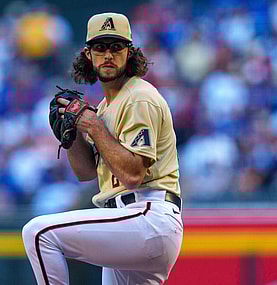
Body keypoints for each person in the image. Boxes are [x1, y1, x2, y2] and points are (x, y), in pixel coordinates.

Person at [22, 12, 183, 285]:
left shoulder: (138, 97)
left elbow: (132, 176)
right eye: (100, 47)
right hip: (129, 221)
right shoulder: (107, 106)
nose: (108, 54)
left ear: (129, 53)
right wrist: (71, 138)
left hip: (147, 216)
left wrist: (94, 127)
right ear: (89, 55)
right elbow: (86, 173)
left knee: (39, 233)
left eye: (116, 46)